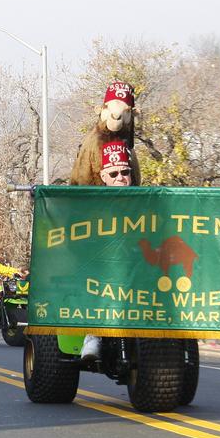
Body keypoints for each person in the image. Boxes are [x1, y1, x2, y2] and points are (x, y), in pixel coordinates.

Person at [82, 142, 135, 360]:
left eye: (125, 172)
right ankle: (92, 335)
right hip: (104, 267)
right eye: (114, 173)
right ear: (104, 176)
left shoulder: (147, 199)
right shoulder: (93, 203)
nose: (121, 177)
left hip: (140, 265)